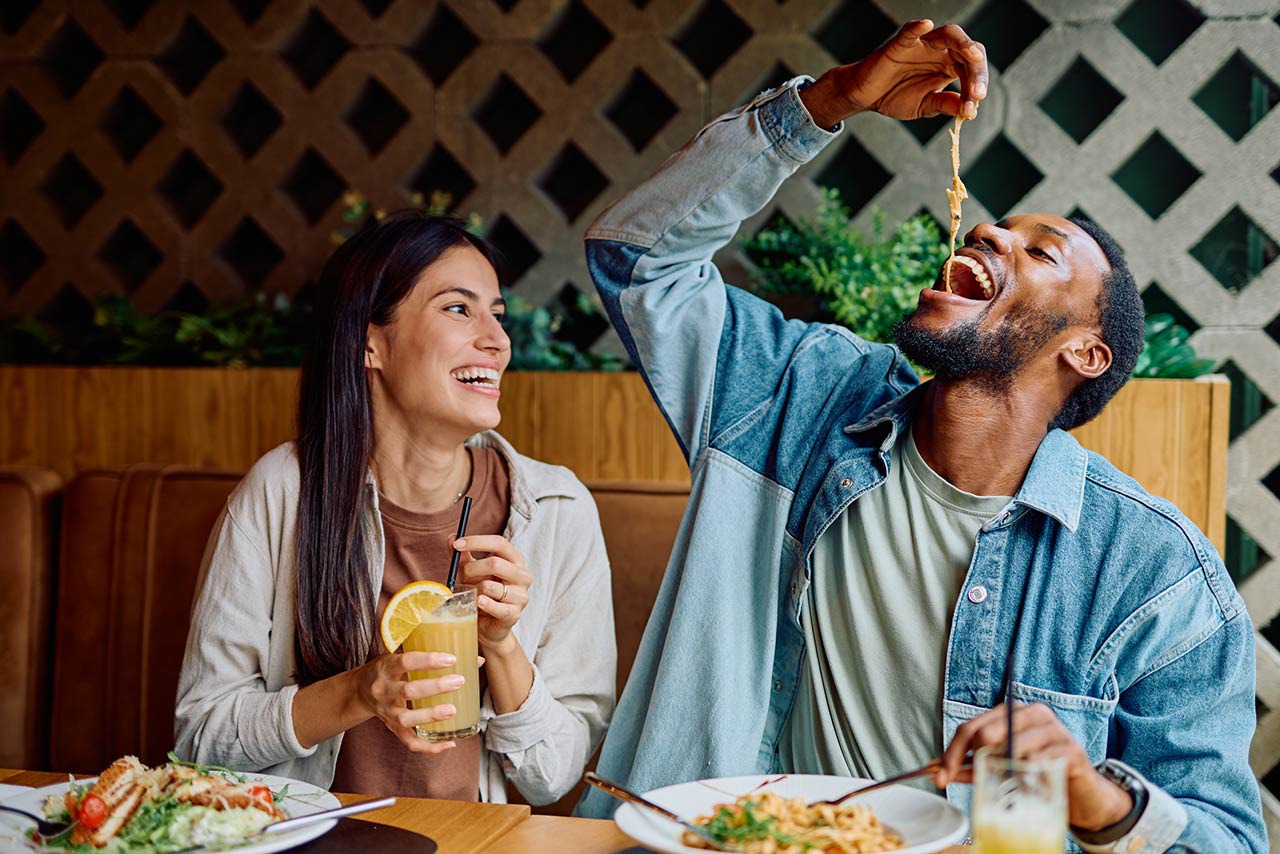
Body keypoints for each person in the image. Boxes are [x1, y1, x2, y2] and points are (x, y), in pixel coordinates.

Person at [576, 18, 1265, 853]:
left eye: (1041, 252)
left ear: (1085, 352)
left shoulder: (1153, 573)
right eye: (994, 225)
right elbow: (635, 258)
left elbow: (1230, 840)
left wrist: (1097, 799)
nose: (988, 232)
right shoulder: (800, 396)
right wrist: (830, 102)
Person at [175, 212, 615, 805]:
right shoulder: (283, 492)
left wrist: (504, 646)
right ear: (369, 343)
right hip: (317, 846)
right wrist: (360, 692)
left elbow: (553, 776)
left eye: (498, 314)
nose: (497, 340)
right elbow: (200, 738)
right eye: (459, 309)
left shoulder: (559, 511)